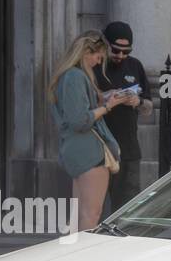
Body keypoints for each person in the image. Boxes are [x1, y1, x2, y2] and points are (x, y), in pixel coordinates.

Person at [50, 30, 127, 231]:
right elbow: (80, 121)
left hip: (75, 149)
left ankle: (68, 259)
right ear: (85, 52)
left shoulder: (67, 76)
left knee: (78, 216)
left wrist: (104, 98)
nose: (98, 61)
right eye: (97, 56)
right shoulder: (75, 76)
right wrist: (109, 106)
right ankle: (81, 259)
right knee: (91, 215)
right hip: (89, 151)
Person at [94, 20, 151, 213]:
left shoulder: (135, 66)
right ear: (106, 44)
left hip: (128, 148)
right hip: (100, 145)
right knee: (97, 204)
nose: (120, 56)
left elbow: (149, 105)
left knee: (129, 204)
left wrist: (138, 102)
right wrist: (106, 97)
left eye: (126, 52)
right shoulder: (95, 64)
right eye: (116, 50)